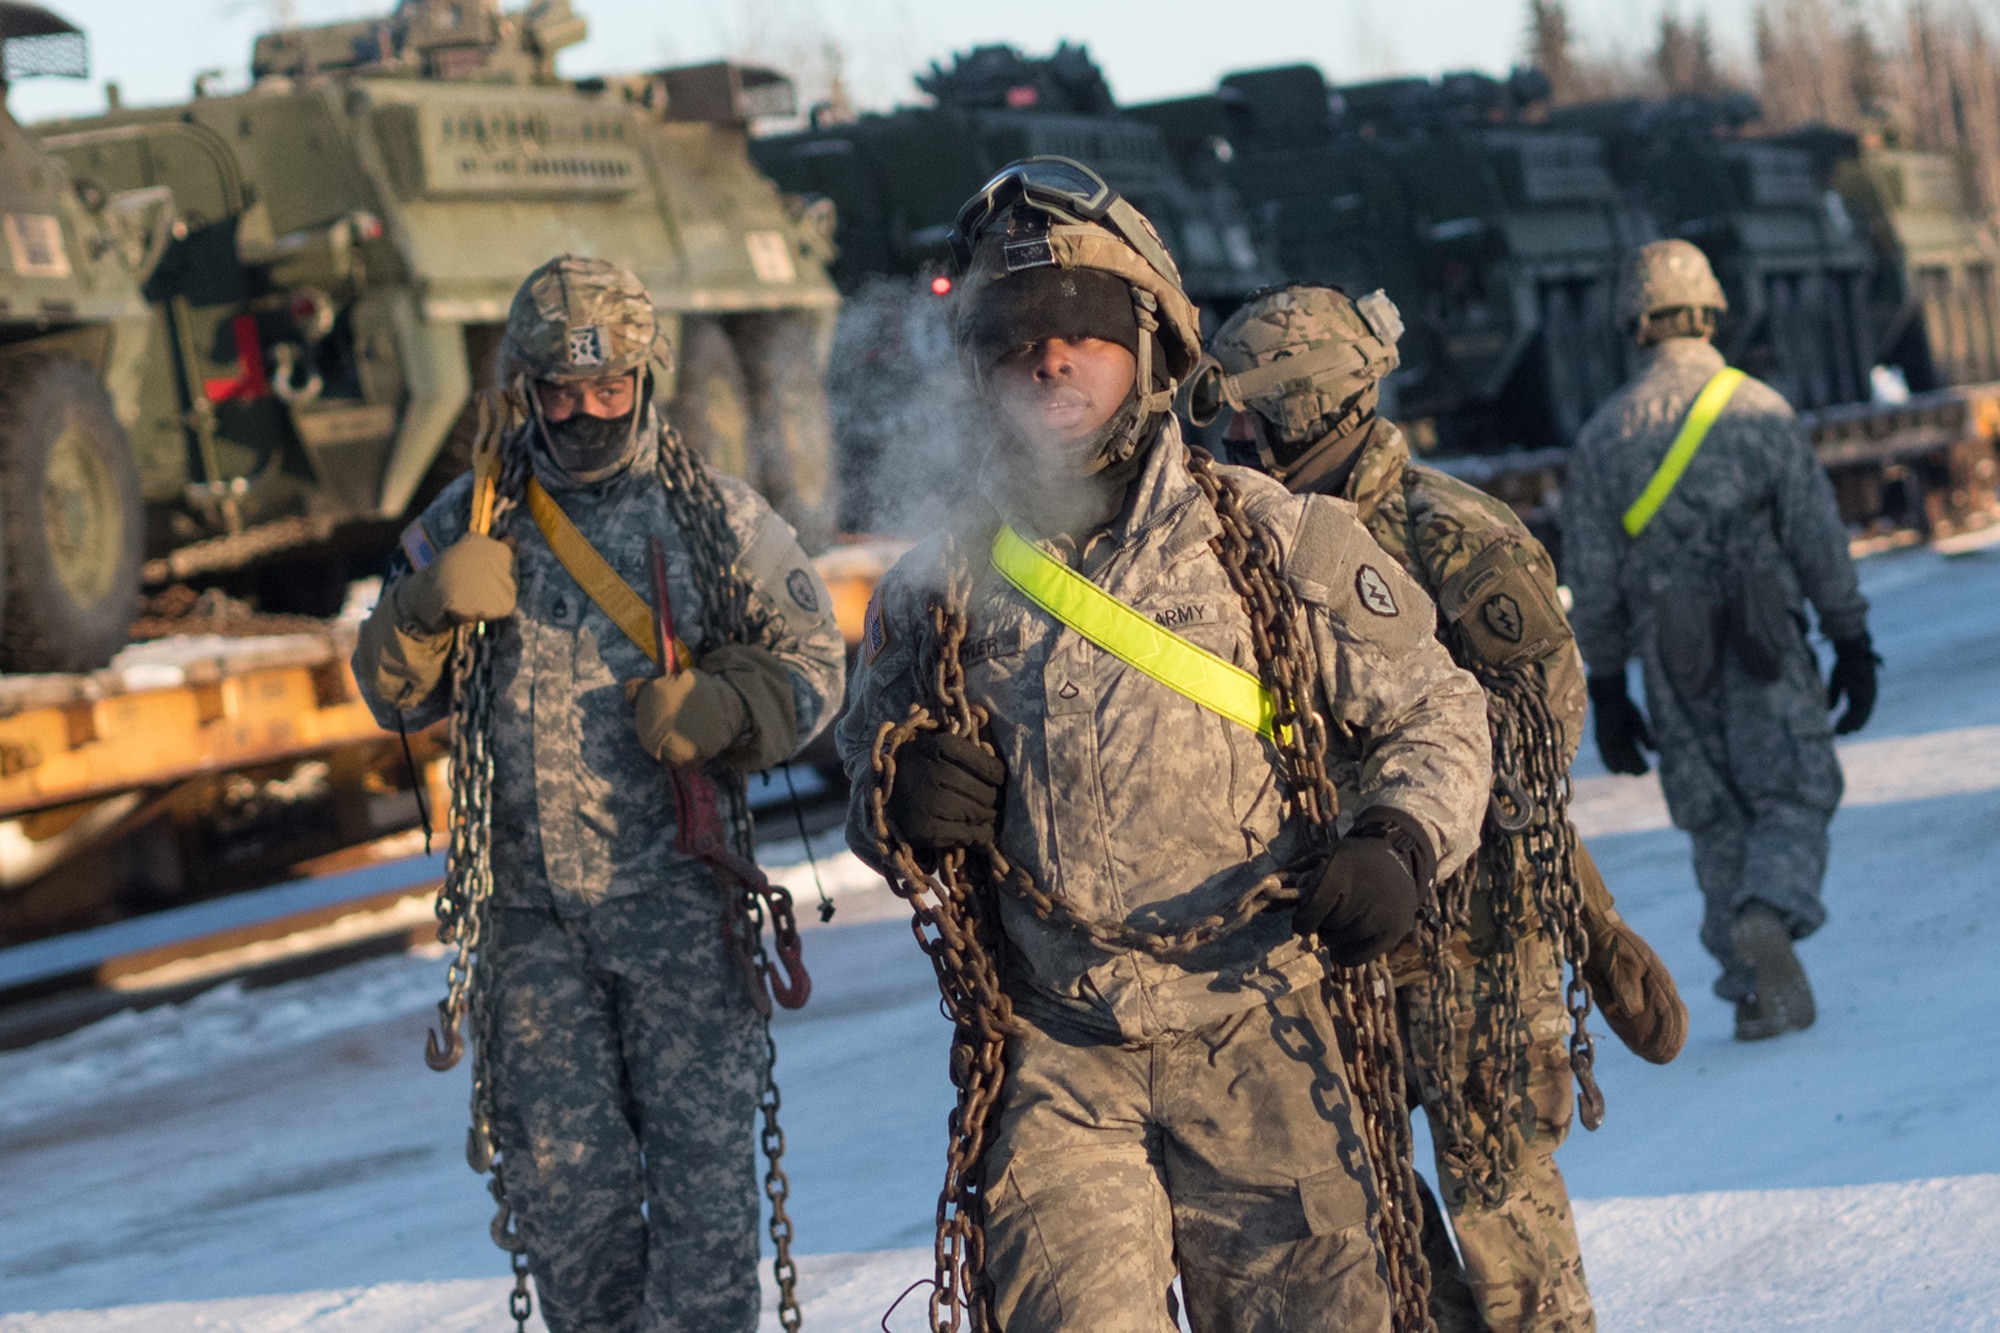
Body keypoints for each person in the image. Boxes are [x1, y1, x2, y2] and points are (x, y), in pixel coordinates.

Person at [836, 157, 1492, 1333]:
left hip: (1263, 1035)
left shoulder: (1277, 541)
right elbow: (869, 774)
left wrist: (1396, 842)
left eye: (1082, 324)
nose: (1048, 354)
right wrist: (899, 803)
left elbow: (1434, 713)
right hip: (1055, 1058)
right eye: (1012, 332)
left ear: (1152, 341)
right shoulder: (929, 595)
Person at [352, 255, 844, 1333]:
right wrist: (427, 607)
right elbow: (384, 688)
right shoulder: (471, 514)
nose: (583, 412)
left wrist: (725, 707)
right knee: (569, 1222)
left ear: (645, 377)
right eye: (558, 391)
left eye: (606, 387)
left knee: (704, 1225)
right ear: (521, 388)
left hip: (679, 917)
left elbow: (813, 662)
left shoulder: (715, 516)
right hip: (530, 934)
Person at [1203, 283, 1690, 1333]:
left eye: (1248, 414)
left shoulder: (1449, 531)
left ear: (1309, 405)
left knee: (1501, 1214)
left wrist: (1408, 807)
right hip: (1325, 934)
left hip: (1472, 935)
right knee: (1367, 1215)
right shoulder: (1243, 546)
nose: (1230, 436)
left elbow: (1538, 726)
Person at [1561, 239, 1877, 1042]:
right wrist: (1848, 634)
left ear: (1634, 325)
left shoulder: (1602, 439)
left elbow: (1591, 581)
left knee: (1714, 813)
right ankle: (1766, 909)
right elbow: (1815, 535)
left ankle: (1748, 991)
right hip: (1766, 634)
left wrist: (1608, 687)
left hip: (1672, 656)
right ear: (1708, 310)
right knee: (1795, 789)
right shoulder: (1759, 409)